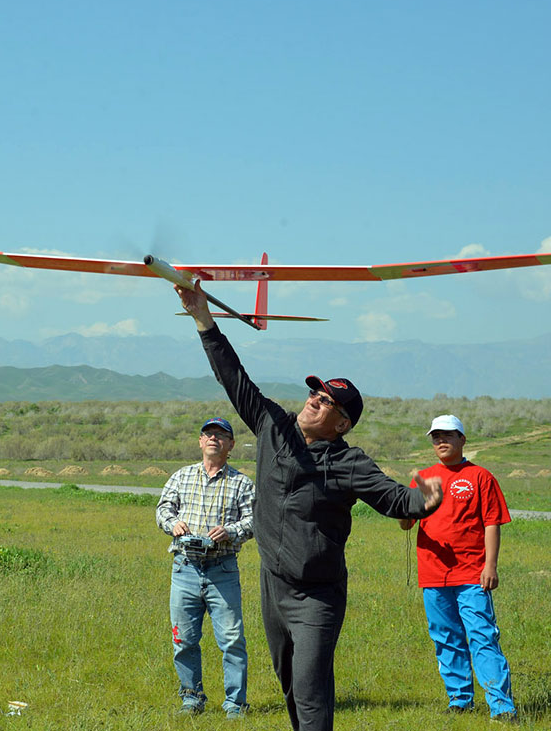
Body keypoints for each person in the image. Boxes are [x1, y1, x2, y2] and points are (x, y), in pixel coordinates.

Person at [175, 282, 443, 731]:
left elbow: (393, 498)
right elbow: (233, 377)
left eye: (325, 402)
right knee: (289, 687)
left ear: (341, 423)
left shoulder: (348, 461)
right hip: (272, 585)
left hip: (317, 595)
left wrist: (424, 499)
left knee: (312, 689)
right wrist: (204, 318)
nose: (312, 401)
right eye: (313, 395)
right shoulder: (272, 426)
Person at [398, 414, 517, 722]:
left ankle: (501, 707)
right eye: (436, 436)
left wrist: (490, 566)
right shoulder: (423, 477)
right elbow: (405, 524)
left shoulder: (480, 477)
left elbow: (492, 523)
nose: (441, 440)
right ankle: (459, 699)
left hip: (472, 573)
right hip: (433, 573)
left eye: (448, 435)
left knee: (482, 636)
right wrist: (411, 504)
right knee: (445, 636)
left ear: (462, 439)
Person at [155, 415, 256, 718]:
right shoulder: (181, 476)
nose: (214, 439)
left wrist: (231, 531)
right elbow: (163, 509)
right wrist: (173, 524)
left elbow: (254, 521)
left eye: (220, 435)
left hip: (222, 569)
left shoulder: (241, 483)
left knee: (231, 640)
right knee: (183, 639)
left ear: (231, 445)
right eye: (208, 434)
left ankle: (235, 705)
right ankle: (191, 697)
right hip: (185, 568)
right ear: (200, 441)